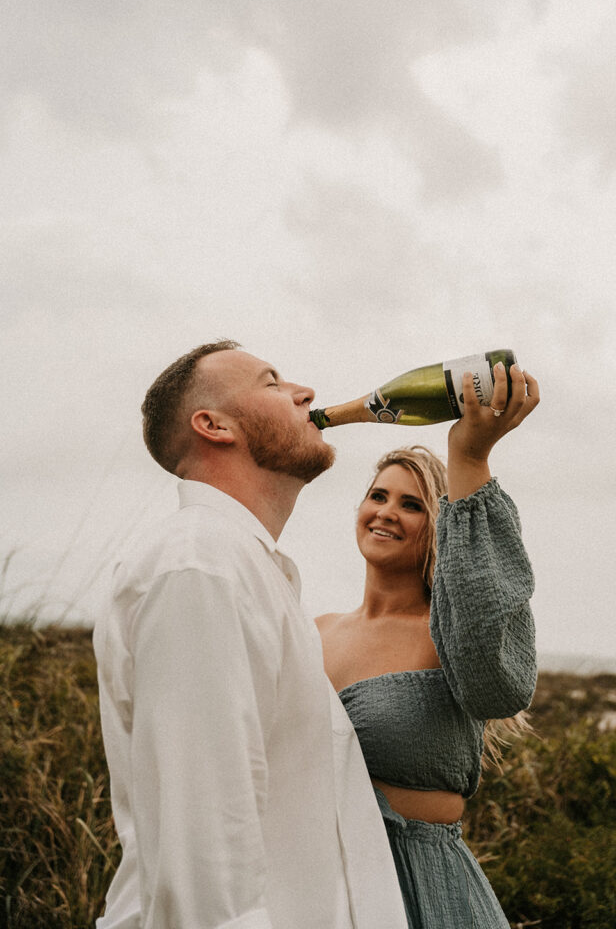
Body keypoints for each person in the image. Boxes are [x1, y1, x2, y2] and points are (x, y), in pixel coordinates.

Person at [93, 340, 409, 929]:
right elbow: (204, 836)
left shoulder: (246, 567)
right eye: (271, 383)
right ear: (213, 425)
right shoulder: (200, 564)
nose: (305, 394)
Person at [316, 362, 540, 929]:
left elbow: (498, 681)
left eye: (412, 504)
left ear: (444, 525)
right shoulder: (312, 632)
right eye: (378, 496)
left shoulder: (454, 637)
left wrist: (469, 460)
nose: (386, 512)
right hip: (314, 885)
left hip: (418, 891)